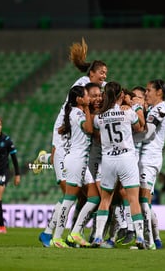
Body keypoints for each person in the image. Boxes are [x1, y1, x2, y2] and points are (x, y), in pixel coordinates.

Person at [37, 38, 107, 247]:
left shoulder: (91, 88)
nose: (104, 77)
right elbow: (77, 115)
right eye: (102, 73)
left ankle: (70, 233)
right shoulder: (80, 90)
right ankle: (50, 234)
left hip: (75, 147)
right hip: (64, 143)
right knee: (70, 194)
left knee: (84, 196)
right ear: (91, 74)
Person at [91, 81, 146, 249]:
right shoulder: (127, 112)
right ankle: (140, 238)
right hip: (127, 159)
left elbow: (95, 132)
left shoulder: (99, 117)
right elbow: (140, 126)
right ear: (120, 96)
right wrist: (133, 106)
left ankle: (98, 237)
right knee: (133, 199)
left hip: (108, 160)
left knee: (105, 200)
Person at [51, 85, 100, 248]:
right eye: (86, 96)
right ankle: (57, 237)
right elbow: (89, 128)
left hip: (82, 161)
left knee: (94, 198)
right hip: (76, 161)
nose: (89, 99)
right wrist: (87, 109)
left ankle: (75, 232)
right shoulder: (77, 112)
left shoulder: (72, 112)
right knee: (69, 199)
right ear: (79, 99)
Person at [136, 79, 165, 250]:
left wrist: (127, 136)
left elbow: (148, 133)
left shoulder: (159, 109)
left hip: (149, 159)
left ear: (159, 92)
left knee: (142, 199)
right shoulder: (154, 108)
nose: (146, 93)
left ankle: (148, 241)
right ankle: (156, 238)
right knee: (145, 201)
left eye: (149, 90)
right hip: (147, 158)